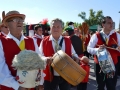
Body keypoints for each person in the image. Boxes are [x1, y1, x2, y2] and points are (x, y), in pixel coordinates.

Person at [0, 10, 46, 90]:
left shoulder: (32, 40)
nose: (19, 22)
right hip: (10, 87)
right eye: (15, 20)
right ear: (7, 24)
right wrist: (17, 86)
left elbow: (39, 62)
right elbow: (1, 69)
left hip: (31, 87)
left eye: (21, 20)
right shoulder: (1, 42)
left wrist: (40, 82)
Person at [39, 18, 80, 90]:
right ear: (50, 28)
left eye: (58, 27)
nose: (56, 29)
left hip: (65, 74)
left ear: (62, 28)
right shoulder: (44, 41)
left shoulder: (67, 40)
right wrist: (45, 59)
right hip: (50, 75)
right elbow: (39, 56)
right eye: (53, 27)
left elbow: (74, 53)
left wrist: (76, 58)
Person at [87, 16, 120, 90]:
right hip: (100, 65)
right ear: (103, 24)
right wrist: (97, 50)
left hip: (113, 65)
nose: (111, 25)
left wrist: (118, 49)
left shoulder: (117, 35)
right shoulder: (95, 36)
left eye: (112, 23)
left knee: (111, 87)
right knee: (100, 86)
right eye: (109, 23)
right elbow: (88, 49)